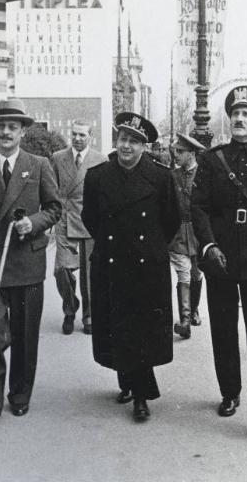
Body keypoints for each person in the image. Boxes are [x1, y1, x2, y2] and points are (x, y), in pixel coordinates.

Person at [191, 84, 247, 438]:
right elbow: (198, 207)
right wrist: (209, 245)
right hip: (221, 254)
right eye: (236, 114)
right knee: (224, 329)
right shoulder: (212, 160)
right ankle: (230, 392)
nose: (240, 119)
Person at [0, 98, 61, 432]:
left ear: (22, 132)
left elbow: (54, 208)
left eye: (13, 127)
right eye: (1, 126)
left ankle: (20, 393)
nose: (6, 132)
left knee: (24, 334)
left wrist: (32, 223)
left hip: (26, 263)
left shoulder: (38, 165)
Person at [81, 112, 180, 422]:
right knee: (117, 326)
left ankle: (140, 395)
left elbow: (171, 220)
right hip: (111, 260)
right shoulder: (97, 177)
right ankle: (128, 381)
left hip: (145, 264)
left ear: (144, 146)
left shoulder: (161, 177)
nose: (126, 146)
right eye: (123, 139)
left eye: (134, 141)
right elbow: (91, 219)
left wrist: (147, 247)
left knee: (140, 330)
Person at [51, 120, 106, 335]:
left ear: (90, 136)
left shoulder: (100, 160)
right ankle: (70, 308)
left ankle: (89, 315)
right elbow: (51, 189)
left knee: (90, 273)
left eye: (82, 135)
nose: (77, 138)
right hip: (65, 219)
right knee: (62, 270)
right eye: (74, 134)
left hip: (90, 220)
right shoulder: (57, 158)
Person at [169, 133, 205, 339]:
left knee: (196, 274)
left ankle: (193, 310)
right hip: (178, 232)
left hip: (198, 231)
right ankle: (184, 320)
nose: (176, 155)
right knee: (183, 272)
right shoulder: (172, 175)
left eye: (180, 152)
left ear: (192, 154)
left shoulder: (202, 175)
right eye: (175, 151)